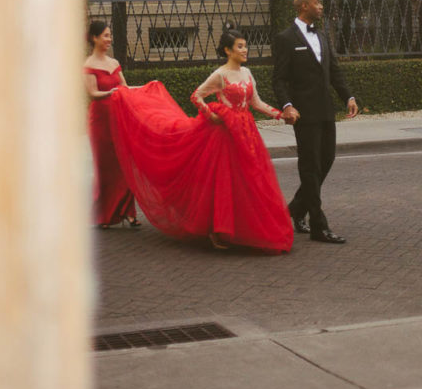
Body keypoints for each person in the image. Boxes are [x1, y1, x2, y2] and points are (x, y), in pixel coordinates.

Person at [108, 25, 294, 253]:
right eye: (240, 46)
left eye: (246, 46)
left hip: (246, 133)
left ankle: (240, 227)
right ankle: (216, 229)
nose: (246, 50)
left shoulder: (247, 73)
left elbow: (256, 102)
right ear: (228, 50)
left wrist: (280, 114)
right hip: (223, 136)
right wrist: (211, 115)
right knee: (223, 182)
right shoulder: (220, 74)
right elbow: (196, 96)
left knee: (247, 180)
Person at [272, 0, 358, 244]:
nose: (321, 6)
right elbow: (279, 79)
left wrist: (348, 97)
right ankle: (319, 226)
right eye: (317, 2)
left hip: (325, 111)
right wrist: (287, 105)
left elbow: (334, 70)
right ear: (305, 6)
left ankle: (297, 209)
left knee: (326, 161)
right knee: (310, 167)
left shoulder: (321, 34)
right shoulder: (286, 38)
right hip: (303, 114)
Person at [84, 20, 140, 229]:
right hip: (100, 121)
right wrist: (110, 93)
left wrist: (145, 88)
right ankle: (103, 215)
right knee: (104, 167)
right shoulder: (88, 65)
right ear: (94, 38)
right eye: (105, 36)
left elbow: (124, 87)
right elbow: (92, 93)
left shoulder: (114, 62)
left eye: (109, 36)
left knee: (124, 164)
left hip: (119, 119)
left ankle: (129, 212)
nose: (109, 39)